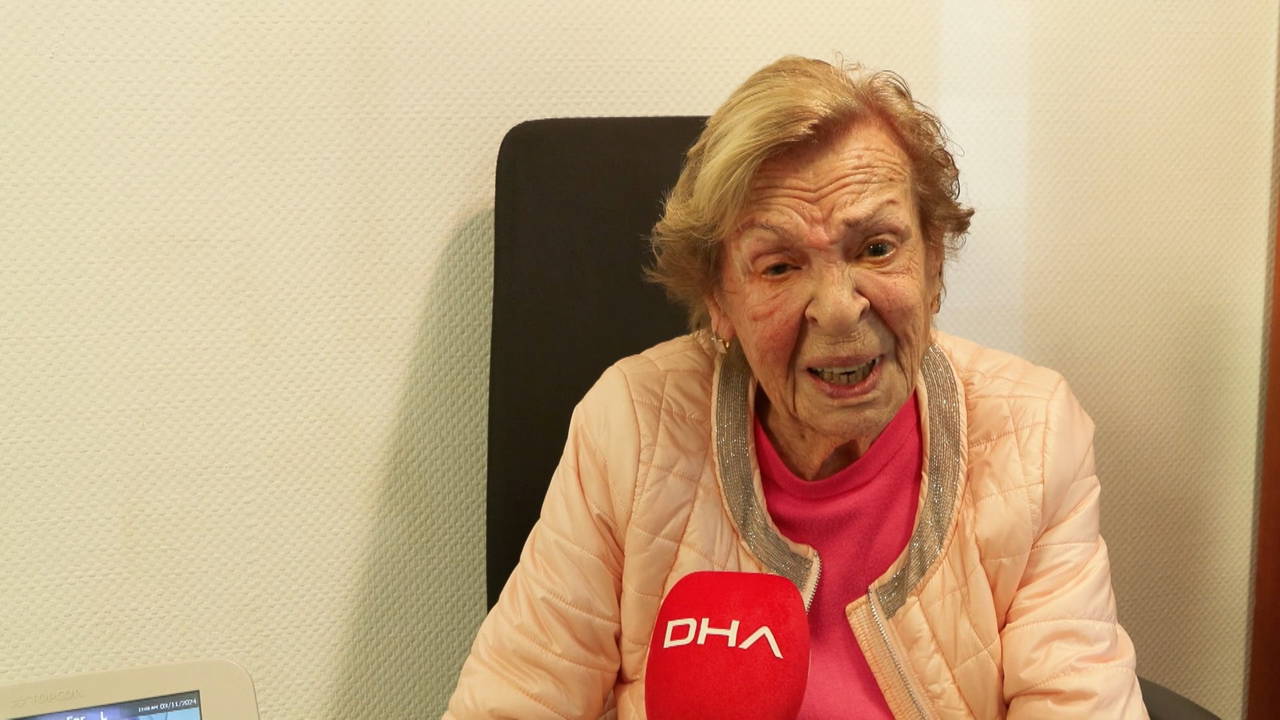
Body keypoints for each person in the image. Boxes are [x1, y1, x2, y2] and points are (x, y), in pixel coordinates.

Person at [445, 56, 1147, 719]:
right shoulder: (630, 425)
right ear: (719, 298)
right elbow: (512, 700)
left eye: (876, 248)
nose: (838, 309)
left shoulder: (1031, 437)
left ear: (933, 263)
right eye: (779, 266)